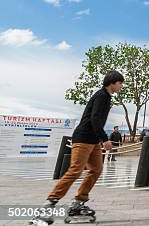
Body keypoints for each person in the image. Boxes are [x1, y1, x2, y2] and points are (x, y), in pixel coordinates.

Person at [31, 71, 124, 225]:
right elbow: (95, 119)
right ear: (113, 82)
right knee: (75, 170)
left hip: (92, 140)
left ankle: (78, 202)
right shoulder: (102, 95)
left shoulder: (106, 97)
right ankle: (48, 205)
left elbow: (97, 120)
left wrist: (99, 139)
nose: (122, 86)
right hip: (83, 137)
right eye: (120, 83)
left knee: (96, 169)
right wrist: (105, 139)